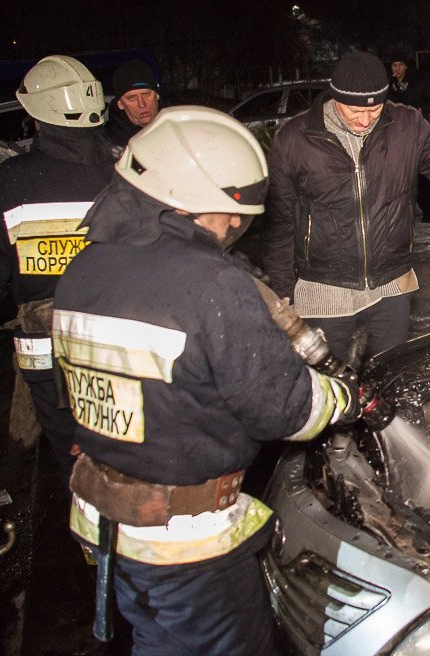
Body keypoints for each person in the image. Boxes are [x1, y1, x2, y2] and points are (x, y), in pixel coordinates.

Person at [51, 106, 362, 655]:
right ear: (187, 201)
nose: (231, 230)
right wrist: (344, 400)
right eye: (227, 215)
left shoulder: (84, 269)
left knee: (155, 639)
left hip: (108, 526)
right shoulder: (211, 282)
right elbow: (283, 408)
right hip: (185, 548)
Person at [262, 50, 430, 364]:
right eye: (354, 110)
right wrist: (284, 297)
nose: (365, 119)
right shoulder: (294, 139)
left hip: (392, 290)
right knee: (330, 395)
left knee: (390, 385)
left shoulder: (407, 126)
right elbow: (279, 225)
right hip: (323, 296)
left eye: (374, 110)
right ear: (334, 98)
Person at [0, 54, 115, 480]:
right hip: (124, 352)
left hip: (48, 361)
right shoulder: (128, 170)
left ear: (35, 115)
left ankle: (92, 533)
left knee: (77, 464)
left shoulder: (10, 183)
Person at [388, 53, 430, 222]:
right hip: (397, 134)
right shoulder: (389, 86)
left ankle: (427, 210)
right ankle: (404, 210)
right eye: (394, 65)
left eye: (400, 65)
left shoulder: (417, 83)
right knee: (402, 173)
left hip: (417, 132)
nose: (397, 69)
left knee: (421, 172)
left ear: (406, 66)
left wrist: (422, 109)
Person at [105, 58, 161, 150]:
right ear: (120, 104)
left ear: (157, 95)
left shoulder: (179, 123)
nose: (141, 104)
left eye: (146, 94)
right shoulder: (107, 142)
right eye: (132, 98)